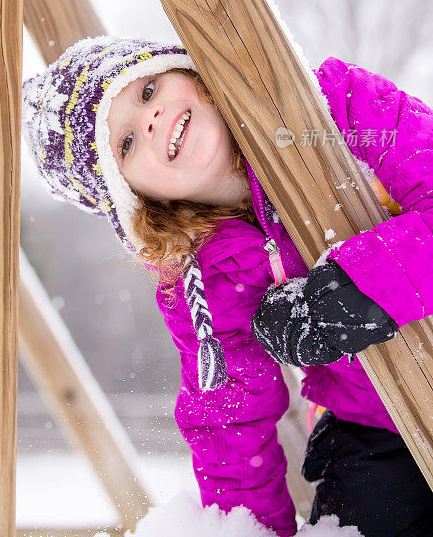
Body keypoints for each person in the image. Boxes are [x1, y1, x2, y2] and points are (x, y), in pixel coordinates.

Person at [22, 35, 433, 537]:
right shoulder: (201, 275)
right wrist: (245, 529)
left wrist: (356, 292)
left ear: (190, 74)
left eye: (148, 90)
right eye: (126, 143)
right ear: (136, 197)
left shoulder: (334, 109)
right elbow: (230, 424)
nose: (150, 120)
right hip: (374, 424)